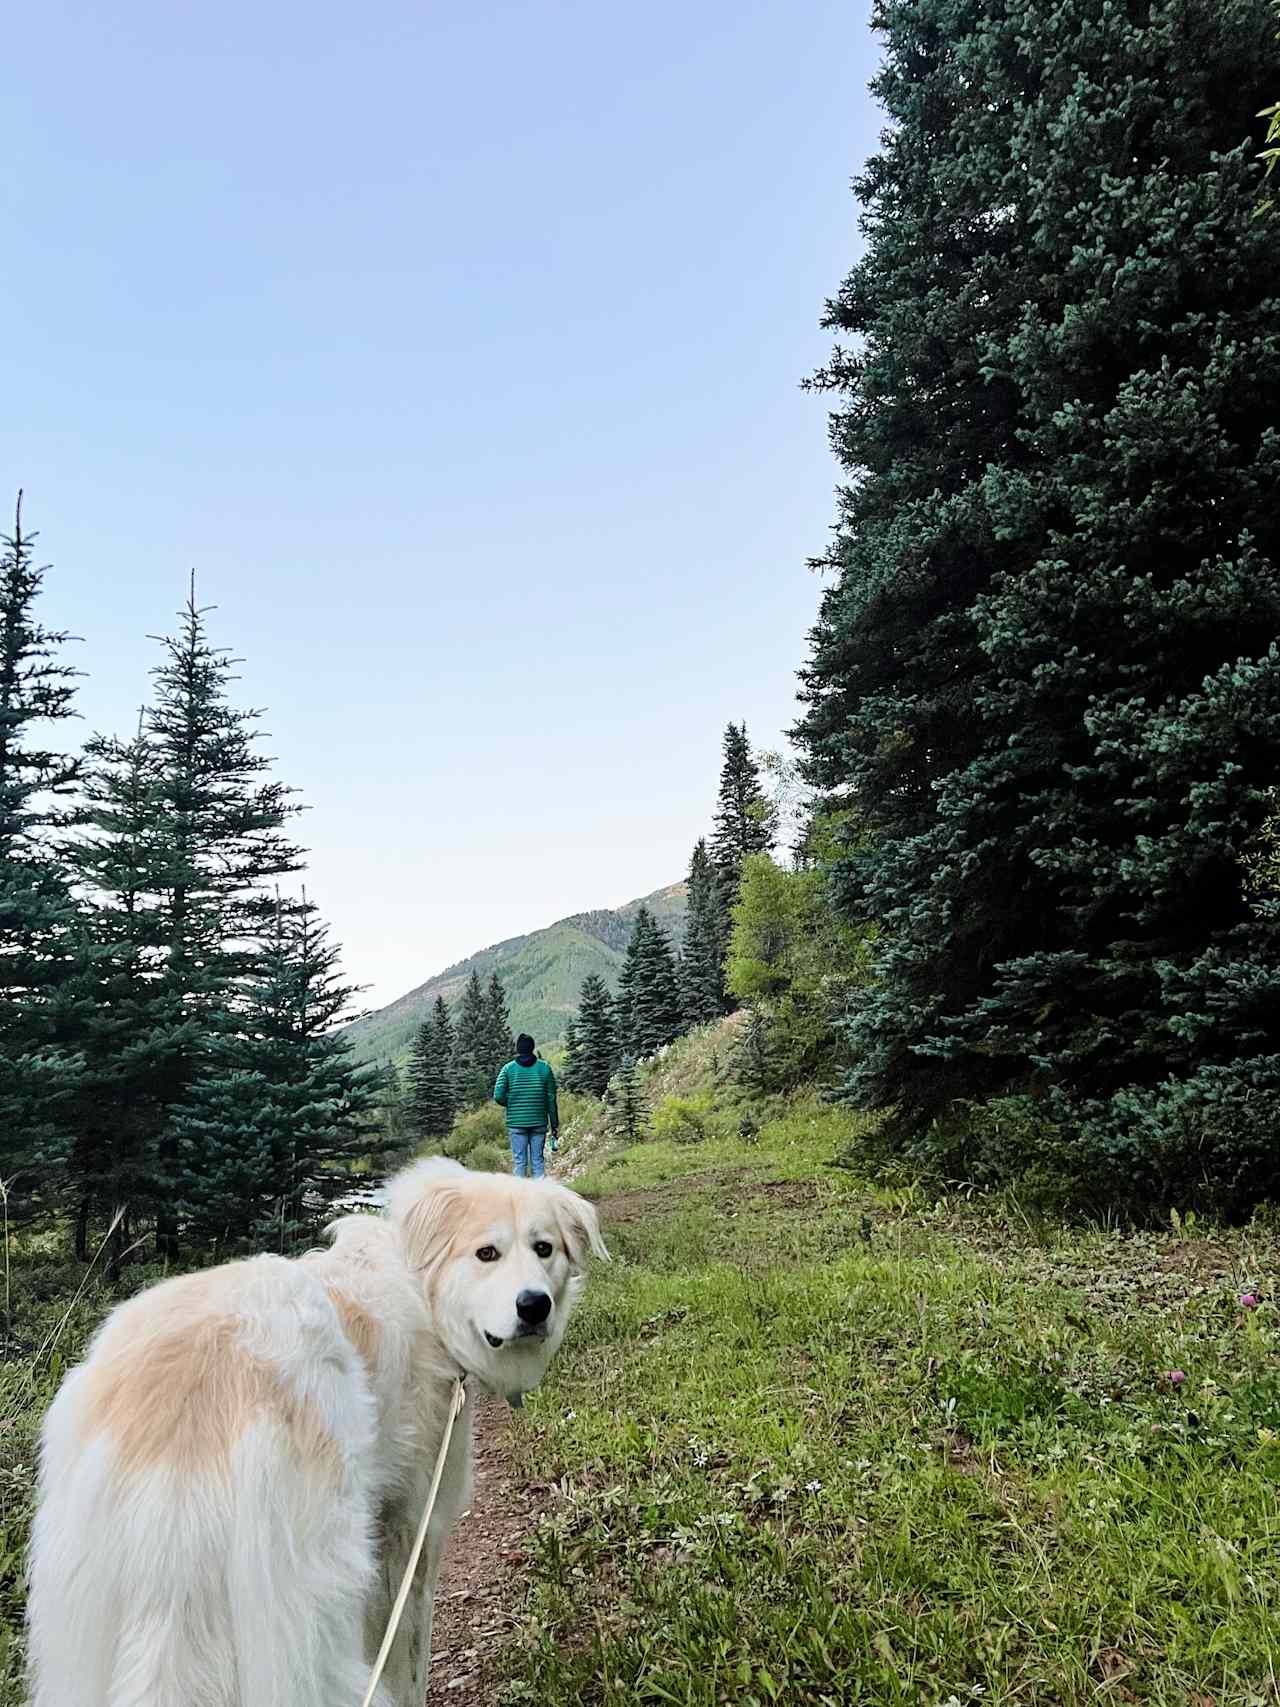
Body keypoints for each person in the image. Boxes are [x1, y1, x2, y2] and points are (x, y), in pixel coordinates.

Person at [493, 1033, 560, 1179]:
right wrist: (554, 1124)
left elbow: (498, 1096)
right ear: (532, 1047)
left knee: (520, 1162)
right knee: (537, 1161)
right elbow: (551, 1100)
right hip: (539, 1122)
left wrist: (511, 1103)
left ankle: (519, 1199)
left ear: (518, 1049)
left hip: (516, 1123)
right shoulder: (545, 1068)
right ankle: (541, 1197)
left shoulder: (508, 1069)